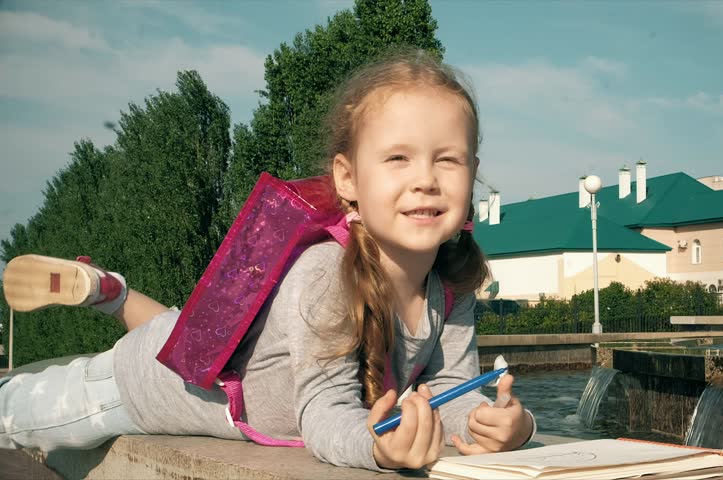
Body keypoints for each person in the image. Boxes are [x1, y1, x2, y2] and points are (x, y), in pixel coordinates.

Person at [0, 49, 535, 471]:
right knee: (14, 416)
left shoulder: (451, 283)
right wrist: (377, 448)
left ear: (473, 171)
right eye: (398, 158)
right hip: (143, 387)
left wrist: (509, 423)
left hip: (220, 360)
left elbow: (447, 393)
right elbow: (325, 416)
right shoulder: (327, 275)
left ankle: (109, 290)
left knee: (174, 327)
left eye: (448, 159)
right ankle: (107, 292)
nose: (426, 178)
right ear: (347, 178)